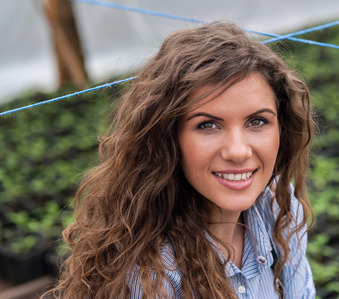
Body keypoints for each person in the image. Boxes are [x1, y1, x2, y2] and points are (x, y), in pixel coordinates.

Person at [44, 22, 316, 299]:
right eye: (208, 125)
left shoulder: (280, 210)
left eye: (257, 121)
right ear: (168, 139)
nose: (238, 151)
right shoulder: (150, 274)